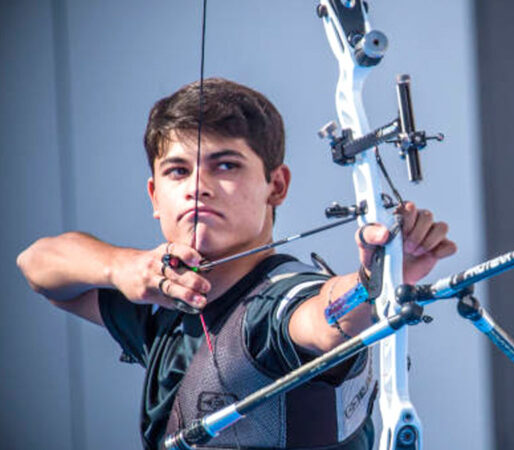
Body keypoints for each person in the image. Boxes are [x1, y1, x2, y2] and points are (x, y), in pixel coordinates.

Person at [16, 78, 456, 449]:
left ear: (276, 185)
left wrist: (372, 282)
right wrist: (121, 268)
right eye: (177, 171)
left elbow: (322, 320)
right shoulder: (163, 299)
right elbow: (37, 264)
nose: (197, 187)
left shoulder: (277, 303)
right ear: (154, 195)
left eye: (224, 165)